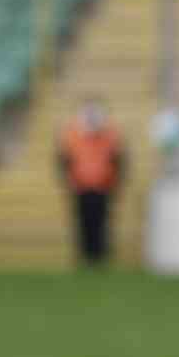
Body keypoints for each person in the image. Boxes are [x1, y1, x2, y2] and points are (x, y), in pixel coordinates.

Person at [57, 96, 125, 266]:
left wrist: (114, 182)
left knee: (101, 222)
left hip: (103, 186)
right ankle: (85, 256)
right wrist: (69, 181)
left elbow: (118, 160)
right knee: (83, 222)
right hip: (81, 186)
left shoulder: (110, 134)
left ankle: (100, 257)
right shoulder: (72, 134)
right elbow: (64, 160)